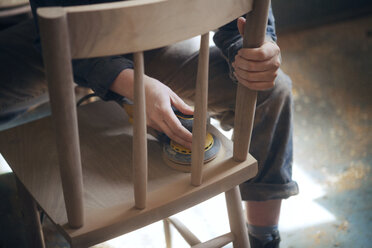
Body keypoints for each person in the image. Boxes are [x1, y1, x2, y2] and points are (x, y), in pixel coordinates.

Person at [0, 0, 299, 247]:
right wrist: (132, 84)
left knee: (272, 91)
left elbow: (244, 12)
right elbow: (53, 22)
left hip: (147, 31)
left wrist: (253, 51)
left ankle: (262, 237)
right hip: (62, 35)